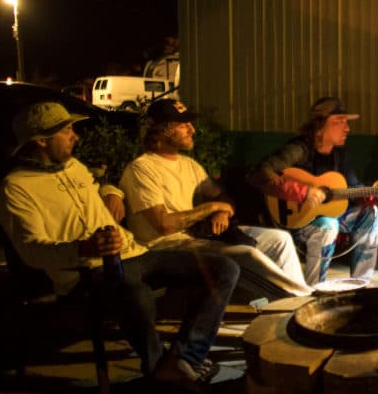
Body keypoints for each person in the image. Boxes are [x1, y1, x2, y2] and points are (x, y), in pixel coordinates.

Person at [0, 102, 240, 392]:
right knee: (135, 292)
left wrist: (112, 191)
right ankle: (159, 367)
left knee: (224, 268)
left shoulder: (72, 167)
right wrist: (84, 248)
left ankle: (185, 357)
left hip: (134, 253)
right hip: (84, 274)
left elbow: (98, 184)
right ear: (41, 141)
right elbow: (31, 251)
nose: (75, 136)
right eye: (67, 130)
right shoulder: (16, 189)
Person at [114, 99, 312, 299]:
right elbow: (163, 225)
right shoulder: (141, 168)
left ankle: (295, 298)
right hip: (165, 247)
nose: (192, 130)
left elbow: (222, 197)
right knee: (246, 254)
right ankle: (301, 301)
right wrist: (212, 207)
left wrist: (222, 211)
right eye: (184, 125)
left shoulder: (189, 165)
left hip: (198, 237)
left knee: (280, 240)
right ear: (163, 130)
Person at [248, 96, 378, 285]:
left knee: (370, 213)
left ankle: (359, 283)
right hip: (297, 220)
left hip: (328, 216)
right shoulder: (298, 149)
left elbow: (354, 189)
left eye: (346, 122)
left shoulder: (341, 154)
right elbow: (260, 172)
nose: (347, 128)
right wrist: (303, 193)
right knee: (328, 226)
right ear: (320, 126)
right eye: (339, 122)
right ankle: (315, 288)